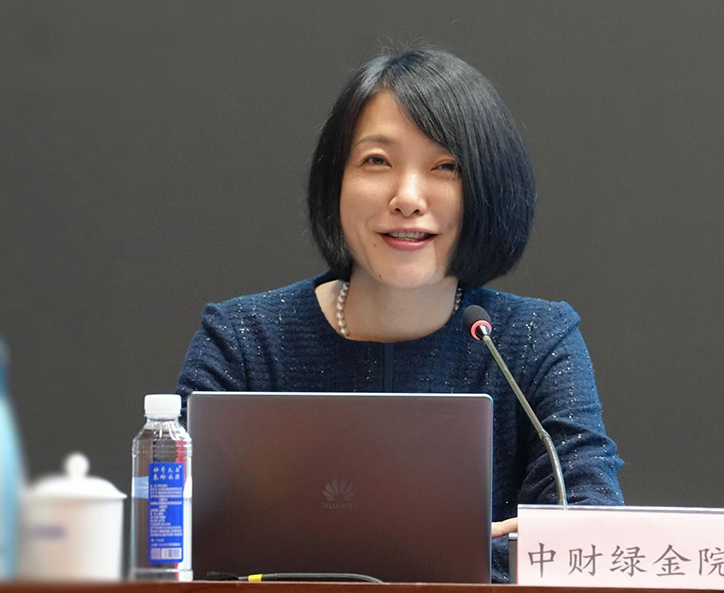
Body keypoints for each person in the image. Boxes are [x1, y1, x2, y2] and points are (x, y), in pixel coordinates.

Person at [176, 46, 624, 582]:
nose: (408, 198)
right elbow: (173, 539)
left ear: (490, 188)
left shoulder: (533, 340)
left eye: (445, 167)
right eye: (377, 161)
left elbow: (590, 530)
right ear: (335, 181)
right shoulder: (243, 340)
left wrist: (476, 561)